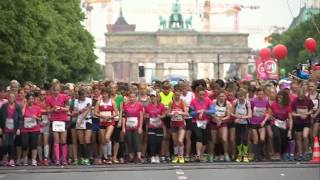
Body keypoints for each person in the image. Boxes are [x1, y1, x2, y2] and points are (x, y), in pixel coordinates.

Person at [190, 86, 215, 162]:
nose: (202, 96)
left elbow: (213, 110)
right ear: (197, 94)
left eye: (203, 94)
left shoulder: (208, 100)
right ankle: (198, 155)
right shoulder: (193, 101)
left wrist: (204, 111)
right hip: (196, 122)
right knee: (199, 136)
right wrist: (197, 112)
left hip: (206, 122)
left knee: (205, 139)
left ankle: (201, 155)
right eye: (200, 94)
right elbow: (191, 113)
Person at [47, 84, 70, 165]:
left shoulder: (65, 97)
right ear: (52, 90)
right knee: (56, 140)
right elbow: (48, 110)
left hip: (63, 120)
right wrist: (53, 109)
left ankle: (64, 159)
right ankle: (57, 159)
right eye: (54, 90)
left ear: (60, 90)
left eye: (57, 90)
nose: (56, 92)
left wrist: (61, 108)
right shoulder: (49, 98)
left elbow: (67, 108)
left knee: (63, 140)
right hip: (55, 120)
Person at [95, 88, 117, 164]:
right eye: (103, 94)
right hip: (102, 122)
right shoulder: (99, 102)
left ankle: (109, 155)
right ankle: (105, 157)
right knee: (103, 141)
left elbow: (116, 113)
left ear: (108, 94)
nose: (104, 95)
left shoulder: (112, 102)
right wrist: (102, 116)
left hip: (110, 122)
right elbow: (95, 113)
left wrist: (110, 117)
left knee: (107, 137)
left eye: (105, 94)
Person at [0, 93, 22, 166]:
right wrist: (0, 127)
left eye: (13, 97)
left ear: (15, 98)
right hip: (5, 128)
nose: (11, 99)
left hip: (14, 128)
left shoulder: (17, 107)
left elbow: (20, 119)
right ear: (8, 98)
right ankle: (5, 158)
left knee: (11, 144)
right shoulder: (4, 106)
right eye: (10, 97)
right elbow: (0, 117)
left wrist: (19, 128)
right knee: (5, 144)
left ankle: (12, 159)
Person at [291, 88, 314, 161]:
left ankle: (306, 152)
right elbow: (292, 113)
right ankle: (300, 154)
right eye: (299, 96)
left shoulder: (308, 100)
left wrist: (307, 114)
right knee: (298, 139)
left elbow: (311, 110)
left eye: (302, 96)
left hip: (306, 121)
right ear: (297, 95)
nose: (300, 98)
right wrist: (299, 115)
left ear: (304, 94)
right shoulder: (294, 101)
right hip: (298, 122)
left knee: (305, 136)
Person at [270, 90, 293, 161]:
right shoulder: (274, 104)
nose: (279, 99)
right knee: (276, 135)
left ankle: (282, 153)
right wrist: (271, 116)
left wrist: (289, 130)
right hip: (275, 123)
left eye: (281, 98)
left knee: (284, 139)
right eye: (278, 97)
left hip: (283, 124)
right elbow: (269, 113)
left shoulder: (288, 106)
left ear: (285, 99)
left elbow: (290, 118)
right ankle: (277, 154)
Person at [144, 90, 166, 163]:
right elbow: (145, 115)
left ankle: (157, 155)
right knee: (152, 141)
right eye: (151, 97)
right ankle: (152, 156)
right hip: (151, 126)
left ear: (157, 97)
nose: (152, 98)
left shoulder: (161, 105)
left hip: (159, 126)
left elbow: (164, 114)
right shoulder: (147, 106)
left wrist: (161, 116)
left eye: (154, 96)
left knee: (159, 142)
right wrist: (146, 116)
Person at [250, 87, 271, 161]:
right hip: (253, 122)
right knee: (256, 139)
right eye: (259, 94)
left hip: (262, 122)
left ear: (264, 94)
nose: (260, 96)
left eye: (262, 94)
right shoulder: (253, 101)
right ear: (257, 94)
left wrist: (264, 121)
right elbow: (250, 111)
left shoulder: (266, 101)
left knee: (262, 139)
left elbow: (268, 113)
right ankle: (255, 156)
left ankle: (261, 154)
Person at [122, 91, 144, 163]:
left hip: (136, 126)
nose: (132, 98)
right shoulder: (126, 106)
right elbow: (124, 117)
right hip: (128, 126)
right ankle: (131, 157)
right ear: (128, 98)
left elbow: (141, 116)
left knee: (137, 141)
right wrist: (123, 127)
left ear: (136, 98)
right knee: (129, 141)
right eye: (130, 97)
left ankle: (138, 157)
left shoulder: (139, 105)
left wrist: (140, 127)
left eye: (133, 97)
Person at [169, 84, 189, 163]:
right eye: (176, 95)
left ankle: (181, 156)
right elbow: (168, 113)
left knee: (180, 140)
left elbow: (187, 113)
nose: (177, 96)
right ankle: (176, 156)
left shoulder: (183, 102)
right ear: (174, 94)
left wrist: (180, 113)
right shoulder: (171, 102)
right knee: (175, 141)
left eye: (178, 95)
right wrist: (172, 113)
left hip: (181, 123)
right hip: (173, 124)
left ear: (180, 95)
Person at [21, 93, 42, 166]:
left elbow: (40, 119)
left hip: (34, 129)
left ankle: (33, 160)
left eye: (32, 99)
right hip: (25, 129)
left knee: (34, 145)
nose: (31, 100)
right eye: (29, 99)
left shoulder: (37, 107)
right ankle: (25, 159)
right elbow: (21, 115)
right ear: (27, 100)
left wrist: (36, 117)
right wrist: (24, 105)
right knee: (24, 145)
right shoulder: (24, 107)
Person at [231, 89, 252, 162]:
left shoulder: (247, 103)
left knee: (245, 139)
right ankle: (240, 154)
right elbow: (231, 113)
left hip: (245, 123)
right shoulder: (235, 102)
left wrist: (241, 117)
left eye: (242, 96)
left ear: (245, 96)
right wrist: (235, 117)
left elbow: (250, 115)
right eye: (239, 96)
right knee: (238, 139)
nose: (240, 98)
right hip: (237, 124)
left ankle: (245, 154)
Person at [74, 88, 93, 165]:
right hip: (79, 121)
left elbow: (88, 110)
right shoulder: (76, 101)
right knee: (81, 141)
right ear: (79, 95)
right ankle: (83, 157)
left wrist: (82, 118)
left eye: (84, 95)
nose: (83, 97)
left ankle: (88, 158)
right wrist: (80, 111)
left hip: (87, 120)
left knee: (87, 140)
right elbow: (75, 112)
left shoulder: (89, 100)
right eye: (82, 96)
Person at [212, 90, 232, 161]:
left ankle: (225, 154)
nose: (221, 98)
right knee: (215, 140)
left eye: (223, 96)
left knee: (224, 138)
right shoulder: (214, 102)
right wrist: (216, 118)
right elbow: (212, 112)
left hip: (223, 123)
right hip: (214, 122)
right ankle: (217, 154)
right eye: (220, 96)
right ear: (217, 97)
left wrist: (221, 120)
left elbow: (228, 116)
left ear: (225, 97)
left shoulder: (228, 104)